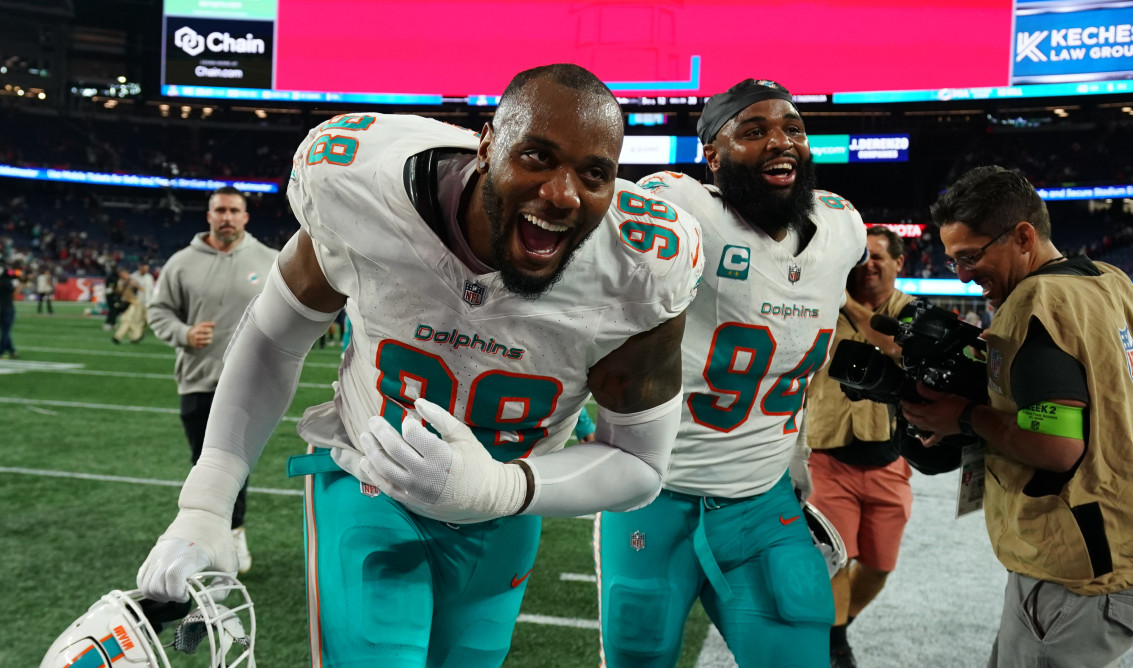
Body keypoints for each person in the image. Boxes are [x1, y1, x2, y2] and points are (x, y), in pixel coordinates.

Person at [136, 63, 703, 667]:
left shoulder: (640, 268)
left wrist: (500, 487)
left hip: (504, 516)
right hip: (367, 481)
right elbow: (272, 340)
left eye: (595, 173)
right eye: (537, 156)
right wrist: (206, 504)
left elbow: (641, 464)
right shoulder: (363, 188)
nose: (563, 194)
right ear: (489, 144)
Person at [597, 79, 866, 667]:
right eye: (754, 131)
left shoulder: (843, 228)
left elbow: (864, 294)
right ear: (711, 156)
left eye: (793, 128)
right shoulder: (680, 207)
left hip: (761, 501)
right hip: (652, 494)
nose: (781, 141)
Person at [901, 165, 1133, 668]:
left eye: (970, 257)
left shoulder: (1038, 301)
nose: (963, 275)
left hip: (1097, 557)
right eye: (954, 261)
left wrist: (965, 417)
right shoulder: (1107, 277)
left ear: (1023, 237)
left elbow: (1055, 447)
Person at [145, 186, 278, 572]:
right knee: (201, 462)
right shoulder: (181, 263)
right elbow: (159, 312)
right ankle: (206, 533)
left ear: (245, 217)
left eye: (234, 210)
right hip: (197, 379)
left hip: (248, 384)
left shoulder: (270, 261)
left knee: (234, 464)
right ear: (208, 215)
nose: (227, 217)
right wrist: (183, 333)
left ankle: (233, 534)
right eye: (220, 210)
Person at [802, 225, 914, 667]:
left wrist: (844, 301)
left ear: (899, 263)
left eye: (877, 257)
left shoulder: (909, 311)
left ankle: (838, 627)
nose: (867, 265)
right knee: (833, 559)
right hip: (828, 458)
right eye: (859, 256)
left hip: (889, 460)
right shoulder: (821, 308)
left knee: (880, 564)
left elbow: (895, 346)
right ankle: (835, 647)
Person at [112, 267, 148, 344]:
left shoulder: (132, 281)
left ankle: (118, 336)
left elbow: (142, 289)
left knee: (128, 320)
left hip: (134, 303)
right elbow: (119, 292)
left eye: (122, 274)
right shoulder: (121, 282)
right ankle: (135, 336)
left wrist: (135, 287)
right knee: (127, 320)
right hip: (127, 304)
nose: (121, 275)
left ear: (126, 273)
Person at [0, 262, 16, 359]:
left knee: (5, 330)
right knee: (6, 331)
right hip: (7, 307)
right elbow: (13, 292)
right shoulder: (7, 281)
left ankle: (12, 350)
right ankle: (1, 351)